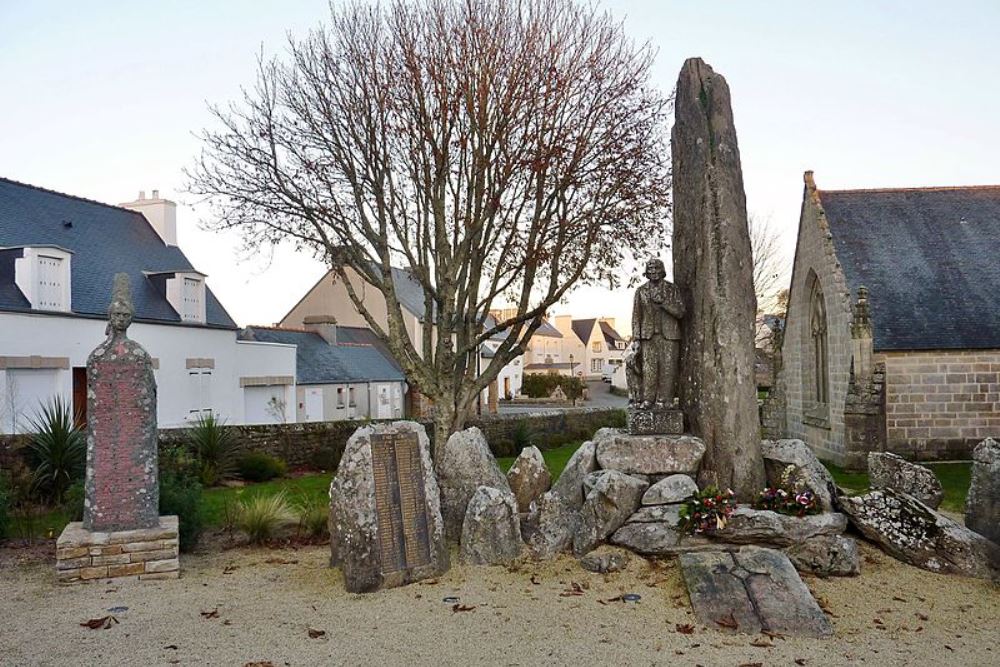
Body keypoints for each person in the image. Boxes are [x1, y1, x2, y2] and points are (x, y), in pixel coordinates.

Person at [631, 258, 685, 408]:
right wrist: (636, 339)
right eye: (650, 269)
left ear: (662, 271)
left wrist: (664, 303)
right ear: (646, 272)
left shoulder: (672, 289)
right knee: (649, 369)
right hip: (648, 336)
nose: (653, 272)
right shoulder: (641, 291)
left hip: (669, 335)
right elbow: (636, 316)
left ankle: (665, 400)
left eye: (656, 268)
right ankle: (648, 399)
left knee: (668, 369)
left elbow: (681, 312)